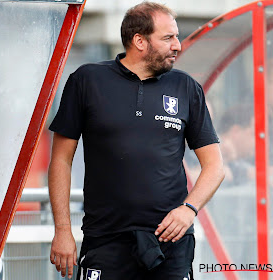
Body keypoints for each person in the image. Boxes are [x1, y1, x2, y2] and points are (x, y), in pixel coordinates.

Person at [48, 2, 225, 280]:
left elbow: (215, 166)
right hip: (105, 240)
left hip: (171, 242)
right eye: (168, 38)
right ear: (139, 41)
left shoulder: (186, 87)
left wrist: (188, 210)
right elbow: (60, 159)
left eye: (176, 37)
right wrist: (62, 230)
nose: (177, 45)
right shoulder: (87, 80)